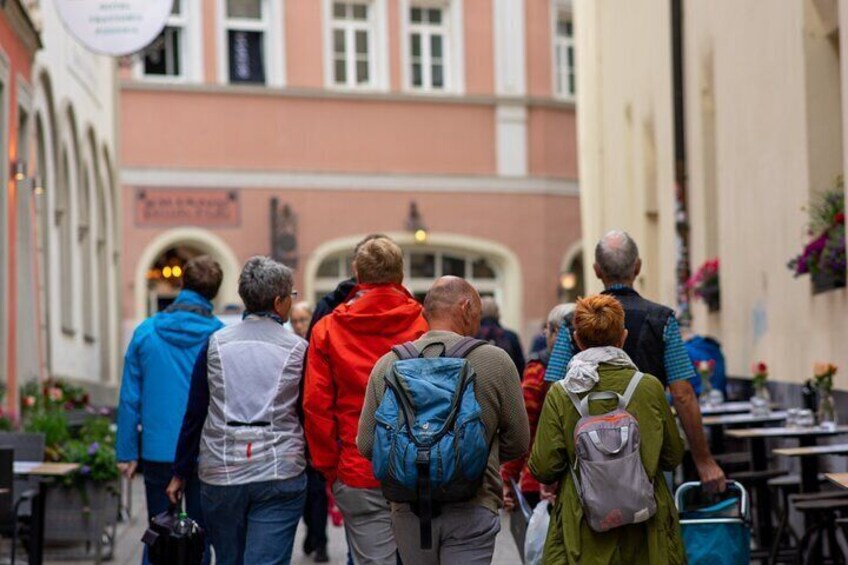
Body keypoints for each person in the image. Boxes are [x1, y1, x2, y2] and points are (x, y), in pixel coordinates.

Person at [358, 276, 530, 565]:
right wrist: (470, 455)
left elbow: (366, 444)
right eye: (476, 309)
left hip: (409, 509)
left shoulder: (388, 364)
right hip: (474, 503)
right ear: (465, 307)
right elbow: (519, 440)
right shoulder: (496, 361)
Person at [545, 230, 726, 492]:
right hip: (648, 451)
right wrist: (704, 461)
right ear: (637, 267)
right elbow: (683, 394)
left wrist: (553, 466)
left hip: (588, 455)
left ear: (597, 270)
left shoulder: (574, 320)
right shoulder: (662, 319)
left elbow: (554, 389)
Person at [167, 256, 307, 565]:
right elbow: (307, 410)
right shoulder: (298, 349)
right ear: (278, 301)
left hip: (222, 470)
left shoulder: (215, 344)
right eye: (290, 296)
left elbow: (195, 412)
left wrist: (180, 471)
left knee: (229, 559)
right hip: (279, 469)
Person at [529, 295, 686, 564]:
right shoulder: (648, 387)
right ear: (622, 337)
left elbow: (543, 467)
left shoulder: (561, 393)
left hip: (582, 529)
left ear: (576, 339)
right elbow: (672, 456)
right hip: (645, 529)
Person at [304, 237, 428, 565]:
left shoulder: (327, 330)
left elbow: (316, 407)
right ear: (400, 275)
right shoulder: (424, 324)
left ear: (357, 274)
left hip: (357, 464)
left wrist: (330, 468)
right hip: (422, 466)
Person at [116, 255, 224, 564]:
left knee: (159, 532)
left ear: (182, 284)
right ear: (214, 293)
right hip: (207, 450)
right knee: (201, 536)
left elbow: (130, 396)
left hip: (158, 449)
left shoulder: (146, 333)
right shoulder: (220, 337)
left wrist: (126, 451)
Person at [502, 303, 574, 510]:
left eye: (548, 329)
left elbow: (524, 424)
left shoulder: (539, 369)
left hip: (539, 479)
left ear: (556, 333)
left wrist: (508, 477)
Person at [289, 300, 330, 563]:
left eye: (303, 319)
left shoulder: (317, 346)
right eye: (294, 320)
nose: (299, 325)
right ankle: (311, 532)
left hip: (315, 431)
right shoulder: (290, 349)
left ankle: (321, 539)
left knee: (317, 492)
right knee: (304, 493)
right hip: (295, 432)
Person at [476, 297, 526, 375]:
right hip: (506, 382)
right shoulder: (511, 336)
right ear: (497, 313)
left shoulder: (472, 336)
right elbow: (520, 367)